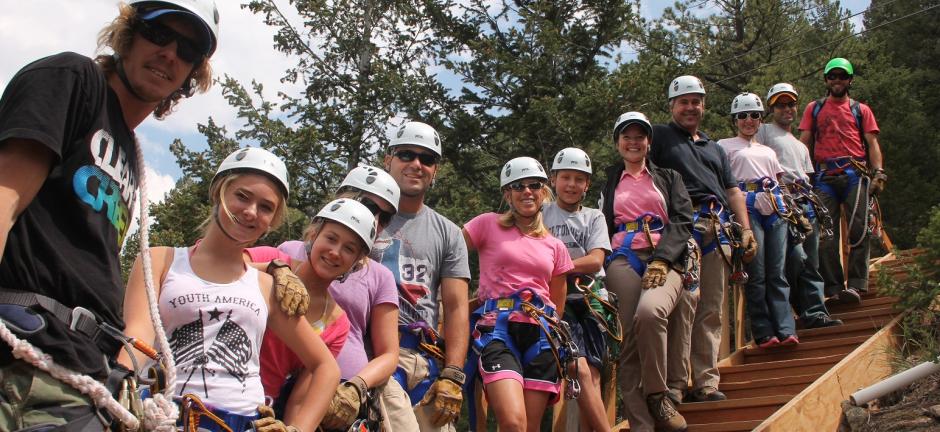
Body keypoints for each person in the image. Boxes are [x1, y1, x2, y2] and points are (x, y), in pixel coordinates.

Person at [0, 1, 220, 429]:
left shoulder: (129, 153)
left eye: (188, 48)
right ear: (127, 34)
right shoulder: (70, 80)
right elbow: (4, 198)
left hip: (85, 373)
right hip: (26, 357)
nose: (170, 54)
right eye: (158, 34)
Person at [121, 147, 342, 431]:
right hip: (167, 418)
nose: (251, 212)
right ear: (219, 192)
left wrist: (296, 429)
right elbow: (137, 337)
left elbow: (326, 368)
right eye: (242, 196)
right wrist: (119, 388)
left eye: (266, 207)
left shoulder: (266, 286)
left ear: (272, 221)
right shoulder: (158, 260)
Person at [649, 75, 757, 403]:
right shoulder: (661, 136)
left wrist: (746, 228)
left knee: (712, 308)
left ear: (704, 106)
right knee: (684, 306)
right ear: (672, 106)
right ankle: (677, 384)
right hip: (685, 225)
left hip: (718, 227)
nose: (690, 107)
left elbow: (733, 190)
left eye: (696, 101)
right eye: (684, 102)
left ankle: (707, 382)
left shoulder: (715, 148)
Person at [275, 165, 407, 431]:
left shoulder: (379, 276)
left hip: (349, 387)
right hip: (285, 378)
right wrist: (274, 268)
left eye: (386, 217)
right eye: (370, 205)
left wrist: (356, 387)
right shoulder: (288, 252)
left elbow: (389, 354)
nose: (375, 219)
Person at [371, 121, 471, 431]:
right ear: (388, 160)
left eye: (427, 159)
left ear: (435, 171)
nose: (417, 164)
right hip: (375, 354)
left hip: (426, 362)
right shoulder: (361, 218)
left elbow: (455, 308)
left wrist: (453, 374)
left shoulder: (449, 233)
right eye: (406, 155)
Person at [463, 156, 575, 432]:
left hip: (540, 333)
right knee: (513, 422)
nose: (527, 191)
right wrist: (453, 301)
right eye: (518, 186)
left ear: (543, 191)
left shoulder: (555, 246)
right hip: (497, 329)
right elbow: (448, 253)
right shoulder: (487, 224)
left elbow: (557, 302)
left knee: (531, 427)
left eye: (534, 185)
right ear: (507, 194)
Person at [601, 112, 695, 432]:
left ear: (649, 142)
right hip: (623, 257)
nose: (633, 142)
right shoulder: (611, 181)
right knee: (627, 342)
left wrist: (664, 259)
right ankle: (641, 424)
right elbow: (602, 223)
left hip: (662, 255)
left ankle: (657, 393)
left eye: (639, 136)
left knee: (651, 312)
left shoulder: (668, 177)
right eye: (626, 137)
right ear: (618, 143)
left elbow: (682, 220)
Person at [798, 58, 886, 304]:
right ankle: (834, 288)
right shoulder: (814, 108)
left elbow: (872, 144)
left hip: (854, 173)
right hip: (824, 176)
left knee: (859, 231)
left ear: (850, 80)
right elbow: (804, 142)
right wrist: (801, 176)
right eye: (832, 76)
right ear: (826, 80)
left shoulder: (861, 109)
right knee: (826, 235)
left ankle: (857, 284)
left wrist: (878, 172)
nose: (837, 80)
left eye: (842, 76)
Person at [757, 83, 843, 329]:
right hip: (783, 202)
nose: (787, 109)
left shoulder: (801, 146)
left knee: (811, 261)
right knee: (794, 259)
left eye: (791, 104)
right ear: (771, 108)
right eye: (780, 105)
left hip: (806, 202)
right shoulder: (764, 132)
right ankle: (793, 311)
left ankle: (816, 312)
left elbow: (809, 177)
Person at [719, 93, 798, 348]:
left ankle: (786, 329)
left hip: (775, 205)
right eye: (742, 116)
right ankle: (763, 330)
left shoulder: (767, 151)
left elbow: (779, 182)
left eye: (754, 115)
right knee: (759, 271)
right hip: (747, 205)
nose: (749, 120)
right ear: (735, 120)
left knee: (778, 271)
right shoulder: (725, 146)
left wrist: (793, 210)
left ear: (761, 119)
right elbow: (723, 183)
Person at [543, 147, 612, 432]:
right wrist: (571, 265)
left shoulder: (594, 217)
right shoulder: (541, 213)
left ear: (586, 185)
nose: (571, 185)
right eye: (565, 177)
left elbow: (596, 259)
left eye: (578, 179)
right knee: (578, 367)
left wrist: (558, 264)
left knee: (592, 373)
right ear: (554, 179)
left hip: (590, 297)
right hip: (558, 299)